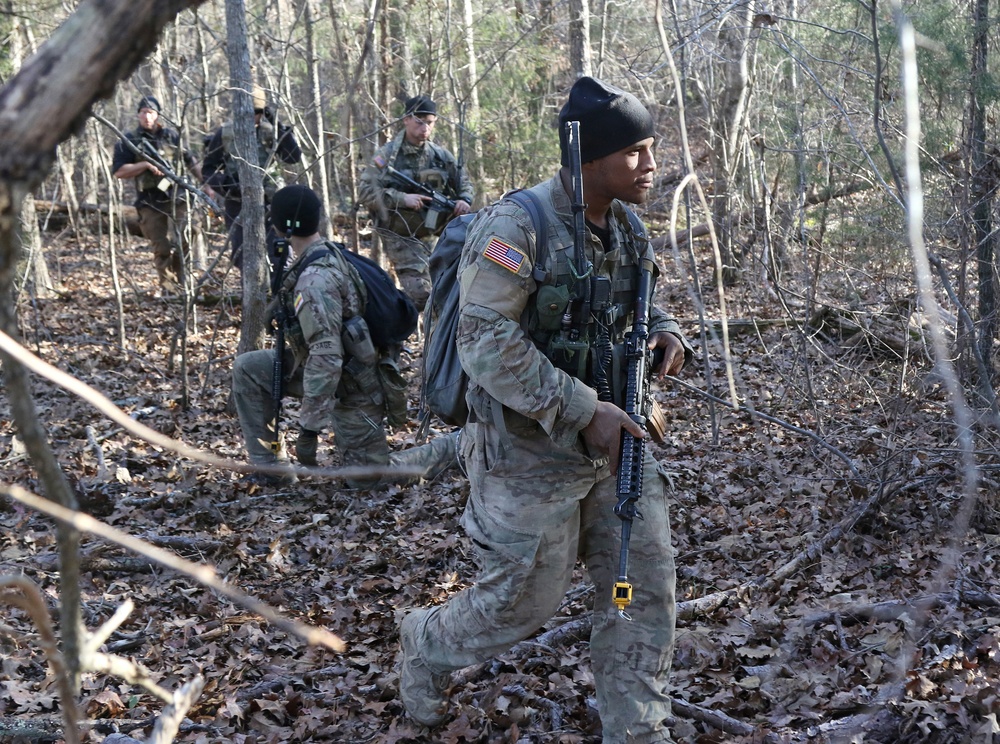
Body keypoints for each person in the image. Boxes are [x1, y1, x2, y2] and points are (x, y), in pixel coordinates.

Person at [396, 77, 695, 743]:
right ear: (589, 157)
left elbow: (640, 302)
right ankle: (426, 642)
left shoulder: (626, 228)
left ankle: (639, 728)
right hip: (528, 456)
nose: (650, 167)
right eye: (636, 153)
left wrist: (668, 335)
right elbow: (484, 341)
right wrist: (583, 408)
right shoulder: (516, 228)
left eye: (651, 151)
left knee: (635, 592)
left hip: (615, 452)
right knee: (519, 606)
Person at [232, 184, 458, 488]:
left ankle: (459, 444)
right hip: (326, 370)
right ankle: (272, 469)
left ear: (280, 225)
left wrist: (309, 429)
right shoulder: (319, 256)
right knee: (249, 368)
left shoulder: (314, 280)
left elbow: (328, 358)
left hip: (357, 385)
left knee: (370, 480)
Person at [358, 95, 473, 312]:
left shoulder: (441, 156)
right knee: (422, 296)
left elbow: (464, 183)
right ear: (406, 120)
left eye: (429, 122)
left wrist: (463, 201)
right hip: (400, 235)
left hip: (437, 235)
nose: (425, 128)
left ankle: (438, 341)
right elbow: (365, 191)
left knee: (451, 294)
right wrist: (402, 199)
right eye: (420, 122)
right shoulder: (387, 156)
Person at [202, 87, 302, 269]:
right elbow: (208, 170)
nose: (252, 117)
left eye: (257, 112)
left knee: (279, 256)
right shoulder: (225, 134)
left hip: (272, 204)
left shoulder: (271, 131)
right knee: (244, 257)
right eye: (247, 112)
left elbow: (293, 157)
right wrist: (226, 185)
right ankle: (252, 297)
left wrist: (277, 124)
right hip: (238, 204)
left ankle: (279, 294)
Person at [112, 95, 203, 294]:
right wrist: (144, 165)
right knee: (161, 248)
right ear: (138, 115)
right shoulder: (130, 141)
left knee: (191, 231)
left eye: (150, 112)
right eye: (143, 112)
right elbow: (119, 171)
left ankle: (182, 279)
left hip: (177, 195)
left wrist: (207, 184)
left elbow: (190, 160)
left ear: (158, 115)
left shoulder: (171, 136)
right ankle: (169, 289)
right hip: (149, 200)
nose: (146, 116)